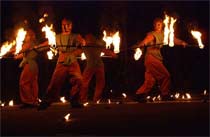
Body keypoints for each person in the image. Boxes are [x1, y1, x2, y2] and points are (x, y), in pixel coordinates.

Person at [135, 17, 188, 102]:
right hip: (152, 58)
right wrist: (139, 46)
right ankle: (165, 94)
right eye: (157, 24)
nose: (159, 25)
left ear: (162, 25)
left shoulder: (164, 34)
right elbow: (146, 41)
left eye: (160, 24)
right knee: (165, 75)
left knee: (150, 80)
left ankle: (139, 95)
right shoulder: (152, 34)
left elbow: (173, 40)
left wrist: (182, 42)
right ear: (154, 25)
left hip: (155, 59)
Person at [38, 18, 86, 110]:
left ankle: (75, 100)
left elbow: (82, 47)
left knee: (79, 80)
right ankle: (46, 102)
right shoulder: (57, 36)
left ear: (71, 26)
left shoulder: (76, 36)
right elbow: (48, 43)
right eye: (63, 25)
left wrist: (77, 50)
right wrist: (37, 47)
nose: (65, 27)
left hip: (72, 60)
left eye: (67, 25)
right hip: (62, 60)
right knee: (55, 82)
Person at [80, 34, 118, 103]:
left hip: (98, 66)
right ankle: (83, 98)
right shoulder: (85, 47)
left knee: (99, 83)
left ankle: (95, 99)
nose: (90, 40)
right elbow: (78, 51)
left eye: (91, 38)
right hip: (91, 66)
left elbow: (106, 51)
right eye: (88, 38)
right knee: (84, 82)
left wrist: (113, 54)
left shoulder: (95, 46)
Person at [14, 29, 40, 108]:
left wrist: (16, 51)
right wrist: (17, 56)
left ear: (30, 36)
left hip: (30, 65)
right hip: (33, 65)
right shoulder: (31, 44)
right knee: (32, 83)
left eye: (26, 35)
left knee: (23, 82)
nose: (24, 37)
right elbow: (24, 54)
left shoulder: (30, 43)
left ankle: (28, 102)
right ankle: (33, 101)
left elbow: (22, 49)